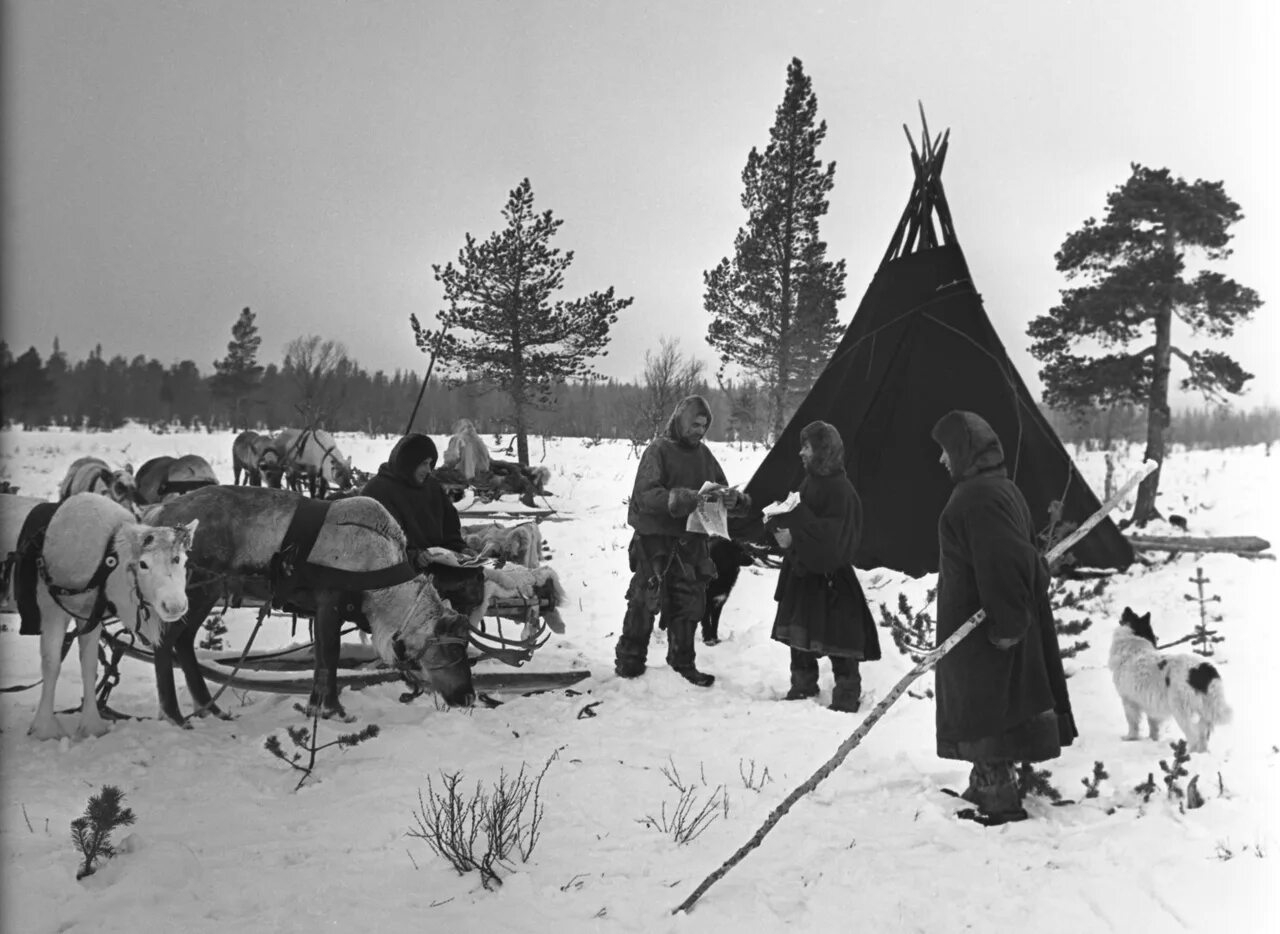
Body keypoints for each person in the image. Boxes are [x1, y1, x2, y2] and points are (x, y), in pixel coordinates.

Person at [930, 410, 1078, 825]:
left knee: (983, 706)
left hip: (984, 632)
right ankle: (985, 783)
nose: (942, 460)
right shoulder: (999, 489)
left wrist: (1009, 627)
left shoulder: (977, 497)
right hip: (987, 623)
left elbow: (1005, 562)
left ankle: (998, 797)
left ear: (965, 450)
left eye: (946, 451)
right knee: (988, 705)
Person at [615, 395, 749, 687]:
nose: (699, 430)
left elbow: (720, 491)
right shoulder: (658, 450)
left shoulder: (704, 456)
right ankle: (630, 660)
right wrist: (679, 499)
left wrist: (733, 500)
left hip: (691, 545)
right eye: (694, 424)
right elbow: (644, 495)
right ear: (680, 420)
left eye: (704, 425)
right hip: (655, 544)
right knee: (644, 600)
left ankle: (683, 662)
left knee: (689, 604)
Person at [765, 421, 881, 712]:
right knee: (800, 635)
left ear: (822, 451)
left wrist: (797, 532)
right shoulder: (810, 482)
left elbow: (835, 537)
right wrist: (783, 530)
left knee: (840, 640)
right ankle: (802, 686)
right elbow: (804, 520)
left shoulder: (841, 490)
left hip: (832, 579)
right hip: (805, 574)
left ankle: (846, 697)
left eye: (807, 447)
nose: (801, 452)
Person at [361, 432, 484, 615]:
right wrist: (414, 556)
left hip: (435, 566)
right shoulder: (378, 491)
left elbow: (450, 532)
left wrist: (462, 551)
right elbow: (376, 546)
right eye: (423, 464)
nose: (428, 470)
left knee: (473, 578)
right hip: (398, 572)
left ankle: (455, 632)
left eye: (430, 464)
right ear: (408, 463)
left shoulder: (432, 487)